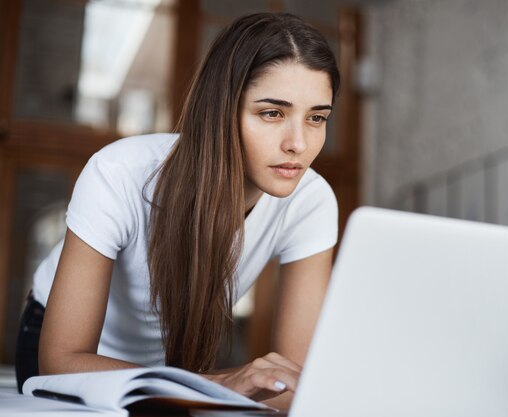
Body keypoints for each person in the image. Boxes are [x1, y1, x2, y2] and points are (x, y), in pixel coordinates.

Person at [14, 12, 340, 410]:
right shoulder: (119, 173)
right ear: (221, 110)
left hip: (169, 366)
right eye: (272, 113)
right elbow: (62, 361)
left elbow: (292, 384)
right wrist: (217, 384)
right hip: (75, 357)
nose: (298, 144)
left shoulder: (312, 201)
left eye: (317, 118)